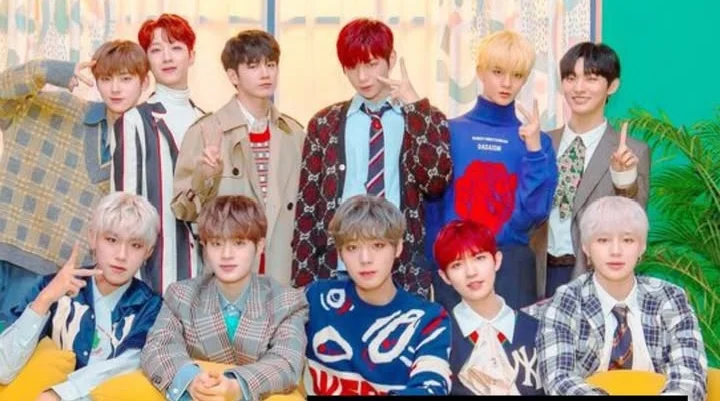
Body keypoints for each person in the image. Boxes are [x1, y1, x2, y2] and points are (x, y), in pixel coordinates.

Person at [291, 18, 452, 298]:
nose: (362, 77)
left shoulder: (426, 117)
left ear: (391, 59)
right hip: (337, 266)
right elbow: (307, 207)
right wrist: (302, 287)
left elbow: (436, 182)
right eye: (352, 67)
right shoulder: (325, 123)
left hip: (402, 268)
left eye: (371, 64)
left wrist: (415, 108)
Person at [0, 40, 149, 319]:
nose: (115, 89)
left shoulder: (146, 142)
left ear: (145, 83)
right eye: (106, 79)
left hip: (62, 282)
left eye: (126, 79)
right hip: (8, 249)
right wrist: (49, 70)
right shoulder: (61, 108)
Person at [425, 30, 557, 310]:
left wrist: (534, 151)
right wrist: (439, 264)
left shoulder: (538, 141)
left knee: (516, 340)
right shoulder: (448, 131)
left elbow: (535, 214)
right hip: (455, 265)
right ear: (480, 72)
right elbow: (433, 208)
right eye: (498, 72)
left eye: (517, 75)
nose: (507, 83)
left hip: (512, 265)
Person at [537, 196, 707, 399]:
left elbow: (690, 375)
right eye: (603, 240)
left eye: (627, 240)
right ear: (585, 247)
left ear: (642, 246)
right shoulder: (567, 301)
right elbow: (559, 379)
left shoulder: (670, 298)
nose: (615, 251)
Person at [141, 195, 308, 401]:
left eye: (239, 243)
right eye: (217, 243)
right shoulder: (181, 296)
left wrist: (237, 386)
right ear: (204, 247)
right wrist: (191, 381)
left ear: (259, 246)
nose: (227, 254)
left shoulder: (286, 301)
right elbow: (158, 347)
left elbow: (287, 361)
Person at [172, 29, 304, 286]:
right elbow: (183, 210)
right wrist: (205, 176)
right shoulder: (207, 130)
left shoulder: (294, 133)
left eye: (271, 64)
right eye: (253, 66)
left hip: (282, 272)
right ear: (233, 75)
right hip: (228, 274)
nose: (265, 73)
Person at [0, 192, 162, 401]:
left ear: (148, 252)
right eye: (111, 240)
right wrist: (45, 299)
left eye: (136, 245)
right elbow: (4, 369)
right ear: (93, 238)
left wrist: (60, 394)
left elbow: (129, 364)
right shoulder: (53, 288)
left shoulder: (151, 307)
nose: (121, 255)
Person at [531, 42, 650, 298]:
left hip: (592, 277)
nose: (579, 88)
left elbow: (633, 222)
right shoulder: (540, 143)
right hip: (536, 275)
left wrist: (623, 177)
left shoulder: (632, 150)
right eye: (570, 78)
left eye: (591, 78)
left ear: (612, 86)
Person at [303, 195, 452, 396]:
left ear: (398, 247)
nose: (365, 259)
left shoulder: (428, 318)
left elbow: (431, 387)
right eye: (352, 247)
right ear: (340, 253)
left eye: (378, 245)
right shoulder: (317, 299)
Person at [113, 13, 204, 294]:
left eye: (176, 47)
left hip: (204, 273)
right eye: (156, 50)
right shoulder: (135, 120)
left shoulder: (208, 122)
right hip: (153, 275)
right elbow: (125, 205)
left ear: (191, 55)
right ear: (147, 59)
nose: (167, 57)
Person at [434, 219, 543, 395]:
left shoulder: (536, 330)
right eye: (457, 265)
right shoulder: (439, 338)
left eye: (479, 258)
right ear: (445, 276)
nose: (471, 272)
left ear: (497, 260)